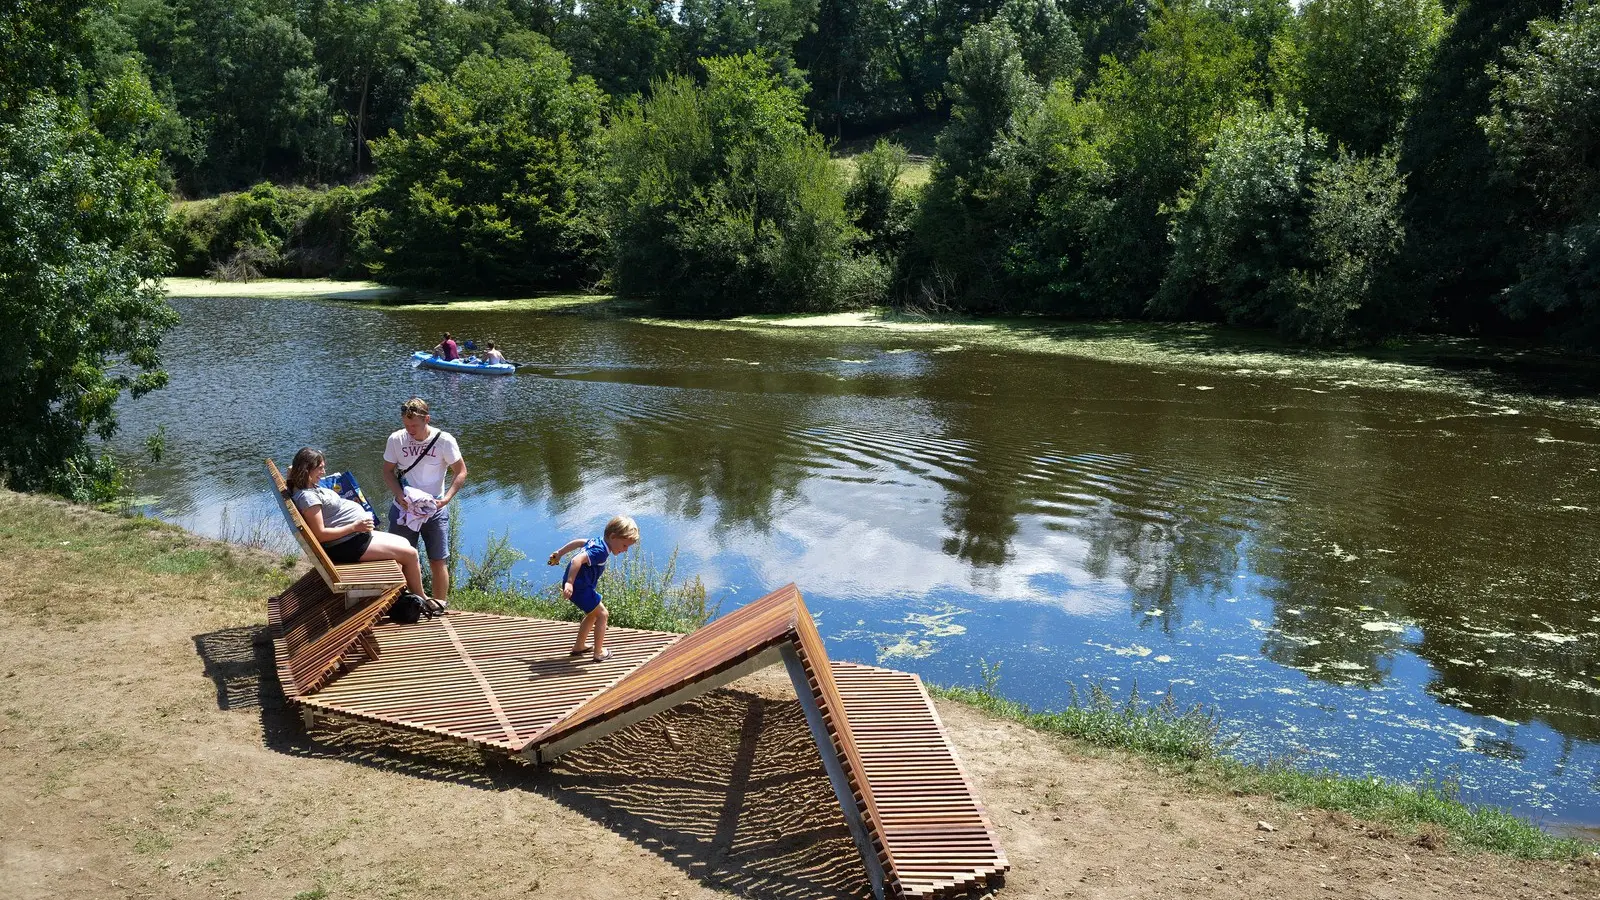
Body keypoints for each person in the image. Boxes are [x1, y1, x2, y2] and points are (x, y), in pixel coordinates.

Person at [285, 447, 429, 603]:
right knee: (411, 554)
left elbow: (293, 469)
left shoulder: (307, 484)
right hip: (347, 545)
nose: (324, 472)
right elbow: (320, 534)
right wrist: (355, 527)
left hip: (353, 538)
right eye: (320, 468)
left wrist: (297, 470)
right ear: (307, 470)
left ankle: (402, 598)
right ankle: (421, 598)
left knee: (404, 543)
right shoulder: (308, 498)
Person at [381, 397, 467, 608]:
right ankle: (403, 603)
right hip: (403, 509)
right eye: (406, 425)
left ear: (427, 419)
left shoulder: (444, 440)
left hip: (434, 509)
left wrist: (446, 499)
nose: (410, 430)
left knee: (438, 560)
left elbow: (461, 471)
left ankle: (439, 605)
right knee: (399, 560)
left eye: (415, 426)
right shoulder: (396, 439)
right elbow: (387, 472)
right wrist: (398, 494)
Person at [547, 516, 640, 662]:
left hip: (581, 587)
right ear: (613, 536)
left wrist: (559, 553)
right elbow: (576, 560)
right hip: (579, 588)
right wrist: (570, 583)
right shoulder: (601, 551)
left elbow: (579, 542)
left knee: (593, 614)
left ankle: (579, 646)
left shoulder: (598, 542)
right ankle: (598, 653)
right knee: (603, 614)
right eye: (624, 545)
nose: (626, 550)